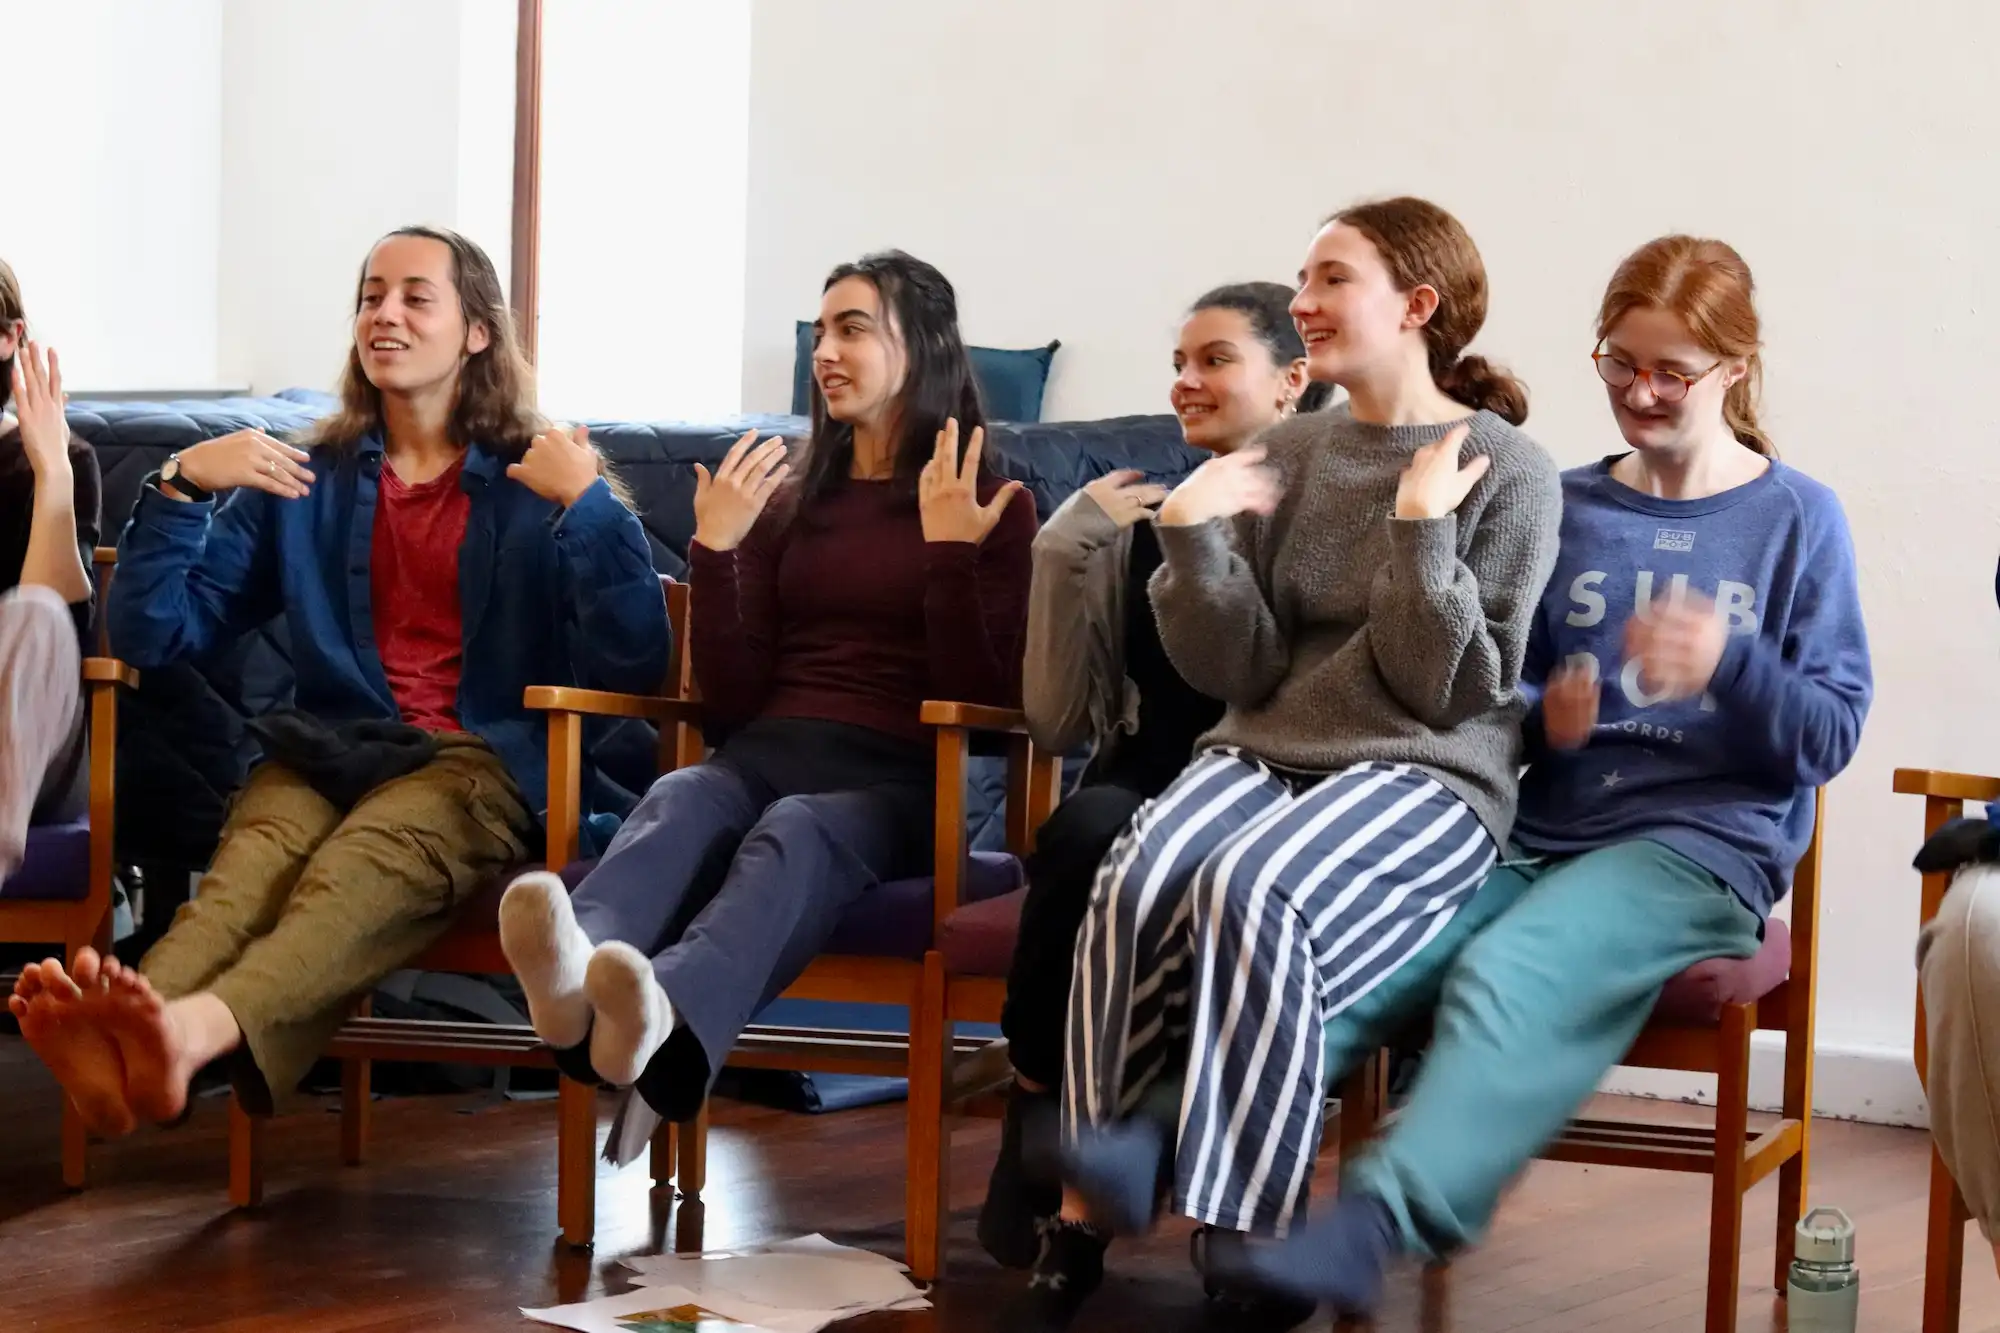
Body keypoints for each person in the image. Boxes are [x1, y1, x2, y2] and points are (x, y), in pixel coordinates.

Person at [1211, 235, 1873, 1320]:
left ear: (1735, 368)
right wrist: (1538, 719)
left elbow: (1828, 736)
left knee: (1510, 970)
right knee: (1349, 948)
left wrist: (1731, 664)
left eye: (1672, 370)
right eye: (1618, 363)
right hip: (1535, 827)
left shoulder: (1796, 519)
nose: (1640, 392)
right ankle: (1195, 1169)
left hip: (1697, 851)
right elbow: (1478, 684)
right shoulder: (1563, 501)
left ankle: (1374, 1220)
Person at [6, 226, 671, 1139]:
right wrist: (181, 485)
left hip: (476, 766)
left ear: (478, 331)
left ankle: (178, 1034)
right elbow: (154, 634)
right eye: (370, 295)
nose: (384, 314)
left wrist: (591, 504)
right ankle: (134, 1032)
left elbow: (635, 664)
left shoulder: (536, 473)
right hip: (331, 747)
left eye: (414, 296)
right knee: (245, 874)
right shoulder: (301, 475)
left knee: (356, 870)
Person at [1046, 198, 1563, 1326]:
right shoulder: (1289, 448)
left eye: (1330, 279)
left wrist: (1420, 531)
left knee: (1250, 887)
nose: (1301, 302)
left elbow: (1449, 691)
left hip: (1425, 770)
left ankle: (1245, 1234)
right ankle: (1088, 1195)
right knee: (1136, 867)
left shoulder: (1510, 470)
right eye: (1300, 278)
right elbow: (1238, 665)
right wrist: (1187, 541)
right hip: (1270, 742)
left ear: (1415, 306)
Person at [498, 250, 1036, 1142]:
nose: (825, 351)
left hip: (898, 786)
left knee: (796, 830)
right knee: (680, 791)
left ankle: (663, 1025)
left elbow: (982, 702)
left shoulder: (990, 498)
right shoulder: (789, 500)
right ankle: (575, 975)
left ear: (925, 346)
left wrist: (949, 553)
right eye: (821, 331)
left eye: (853, 329)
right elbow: (735, 705)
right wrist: (716, 553)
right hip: (769, 753)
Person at [977, 282, 1326, 1271]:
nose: (1184, 382)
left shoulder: (1330, 525)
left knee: (1206, 878)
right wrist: (1062, 546)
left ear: (1292, 379)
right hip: (1144, 782)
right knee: (1085, 827)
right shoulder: (1145, 519)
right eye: (1178, 362)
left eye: (1213, 359)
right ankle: (1035, 1105)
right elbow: (1054, 720)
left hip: (1272, 798)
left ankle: (1237, 1201)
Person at [0, 259, 100, 878]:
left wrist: (51, 474)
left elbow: (53, 622)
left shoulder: (65, 463)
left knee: (32, 613)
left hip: (30, 749)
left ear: (9, 338)